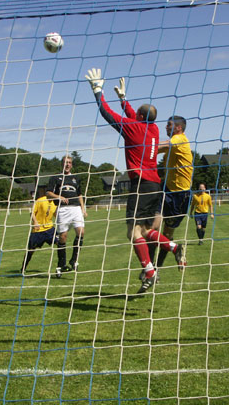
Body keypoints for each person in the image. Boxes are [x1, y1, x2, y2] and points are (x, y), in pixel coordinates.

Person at [85, 68, 184, 293]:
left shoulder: (133, 128)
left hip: (141, 185)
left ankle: (150, 270)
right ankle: (172, 246)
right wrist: (124, 100)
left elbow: (107, 113)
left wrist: (97, 91)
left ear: (138, 117)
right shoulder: (153, 128)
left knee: (133, 233)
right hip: (155, 185)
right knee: (145, 230)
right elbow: (137, 115)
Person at [152, 115, 193, 270]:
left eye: (169, 125)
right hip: (166, 190)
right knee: (154, 226)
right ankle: (151, 268)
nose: (166, 127)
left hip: (181, 196)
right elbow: (154, 150)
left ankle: (158, 266)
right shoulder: (172, 145)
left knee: (167, 234)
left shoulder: (180, 139)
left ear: (178, 127)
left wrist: (146, 143)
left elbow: (161, 145)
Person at [46, 155, 87, 278]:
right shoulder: (55, 178)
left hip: (76, 208)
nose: (67, 164)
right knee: (63, 237)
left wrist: (83, 209)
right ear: (62, 164)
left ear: (71, 165)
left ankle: (74, 260)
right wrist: (59, 197)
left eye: (69, 162)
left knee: (81, 232)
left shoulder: (76, 178)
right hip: (63, 209)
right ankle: (61, 265)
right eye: (65, 162)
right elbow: (48, 193)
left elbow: (79, 194)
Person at [22, 191, 57, 274]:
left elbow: (55, 214)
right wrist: (35, 222)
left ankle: (60, 266)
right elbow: (32, 213)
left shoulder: (55, 203)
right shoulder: (40, 200)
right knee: (31, 250)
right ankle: (23, 267)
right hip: (38, 230)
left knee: (60, 243)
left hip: (49, 229)